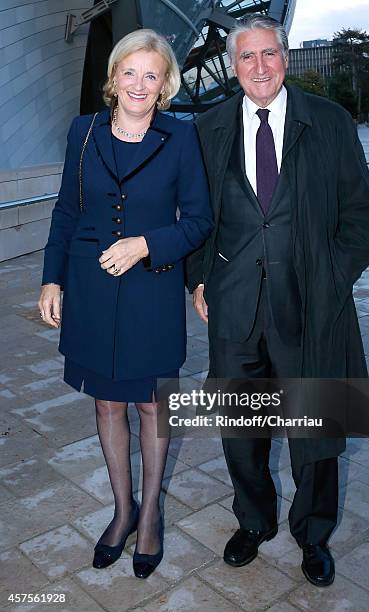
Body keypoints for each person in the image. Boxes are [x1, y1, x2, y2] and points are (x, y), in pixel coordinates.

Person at [186, 14, 369, 587]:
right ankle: (253, 520)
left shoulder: (329, 122)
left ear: (286, 58)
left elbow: (364, 211)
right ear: (232, 64)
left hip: (312, 307)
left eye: (269, 54)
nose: (259, 67)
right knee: (241, 427)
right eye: (246, 57)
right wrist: (199, 280)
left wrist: (334, 275)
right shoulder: (209, 128)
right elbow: (194, 218)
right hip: (235, 307)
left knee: (315, 427)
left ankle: (313, 533)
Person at [38, 28, 213, 579]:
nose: (138, 84)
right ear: (114, 77)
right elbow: (67, 209)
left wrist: (146, 244)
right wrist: (51, 280)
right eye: (129, 72)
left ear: (164, 85)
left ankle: (152, 513)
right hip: (91, 291)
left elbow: (201, 221)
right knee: (107, 404)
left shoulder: (180, 137)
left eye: (151, 75)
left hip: (151, 293)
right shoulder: (83, 131)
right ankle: (122, 511)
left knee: (152, 406)